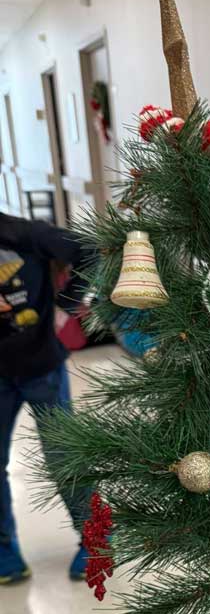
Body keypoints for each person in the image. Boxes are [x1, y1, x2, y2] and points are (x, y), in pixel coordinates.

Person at [0, 212, 91, 583]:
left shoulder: (24, 234)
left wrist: (64, 308)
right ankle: (5, 552)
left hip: (42, 367)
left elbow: (87, 252)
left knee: (64, 457)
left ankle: (96, 540)